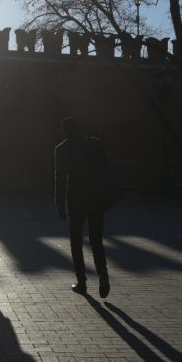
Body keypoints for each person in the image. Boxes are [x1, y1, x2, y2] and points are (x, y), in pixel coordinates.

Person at [54, 117, 115, 297]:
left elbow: (59, 179)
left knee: (76, 242)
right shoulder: (95, 144)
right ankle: (102, 273)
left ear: (65, 131)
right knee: (97, 240)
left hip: (75, 200)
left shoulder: (61, 149)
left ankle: (82, 282)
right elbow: (106, 169)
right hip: (95, 198)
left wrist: (59, 205)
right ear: (80, 128)